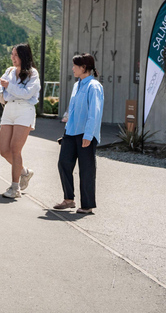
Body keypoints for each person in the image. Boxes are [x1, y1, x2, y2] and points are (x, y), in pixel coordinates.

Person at [54, 53, 104, 214]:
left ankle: (87, 205)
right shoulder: (78, 85)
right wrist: (67, 120)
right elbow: (73, 107)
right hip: (71, 131)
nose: (72, 68)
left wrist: (88, 135)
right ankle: (69, 200)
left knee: (86, 169)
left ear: (84, 68)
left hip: (85, 133)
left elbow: (94, 113)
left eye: (75, 65)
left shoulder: (94, 86)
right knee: (63, 163)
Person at [0, 43, 40, 199]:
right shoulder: (9, 71)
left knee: (14, 149)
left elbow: (26, 94)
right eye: (12, 54)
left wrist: (8, 86)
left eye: (16, 55)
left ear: (24, 56)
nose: (13, 58)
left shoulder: (33, 74)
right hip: (9, 109)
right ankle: (24, 172)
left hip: (25, 110)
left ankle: (15, 188)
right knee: (4, 150)